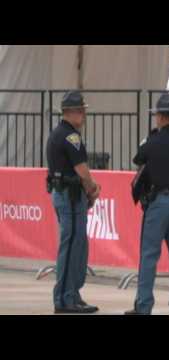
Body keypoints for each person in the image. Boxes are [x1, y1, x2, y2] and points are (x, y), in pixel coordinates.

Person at [125, 94, 169, 315]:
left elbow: (139, 160)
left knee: (149, 257)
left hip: (159, 203)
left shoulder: (152, 142)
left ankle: (144, 306)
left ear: (160, 117)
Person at [46, 91, 101, 314]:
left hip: (65, 194)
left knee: (77, 245)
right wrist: (92, 189)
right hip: (70, 196)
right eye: (81, 110)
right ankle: (65, 299)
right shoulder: (71, 137)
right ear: (71, 112)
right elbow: (82, 170)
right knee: (71, 247)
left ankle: (72, 294)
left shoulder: (58, 133)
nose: (84, 114)